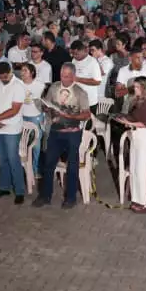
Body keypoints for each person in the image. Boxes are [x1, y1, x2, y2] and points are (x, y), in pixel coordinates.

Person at [32, 62, 92, 210]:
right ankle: (45, 196)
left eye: (66, 76)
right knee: (48, 163)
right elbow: (47, 104)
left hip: (72, 133)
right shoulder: (54, 87)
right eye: (61, 75)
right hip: (55, 131)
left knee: (72, 165)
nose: (63, 79)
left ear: (73, 76)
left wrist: (71, 116)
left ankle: (70, 198)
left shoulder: (80, 92)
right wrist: (47, 108)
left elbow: (86, 114)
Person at [115, 76, 146, 212]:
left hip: (145, 138)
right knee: (136, 170)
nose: (134, 89)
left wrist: (129, 123)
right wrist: (124, 119)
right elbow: (134, 117)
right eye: (134, 87)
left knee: (144, 170)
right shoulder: (137, 102)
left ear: (144, 88)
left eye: (137, 87)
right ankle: (139, 199)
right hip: (136, 138)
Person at [0, 60, 27, 204]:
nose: (3, 79)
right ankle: (4, 187)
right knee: (2, 158)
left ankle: (19, 191)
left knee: (13, 158)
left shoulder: (19, 85)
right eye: (0, 77)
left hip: (12, 128)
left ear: (10, 72)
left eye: (5, 76)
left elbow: (15, 109)